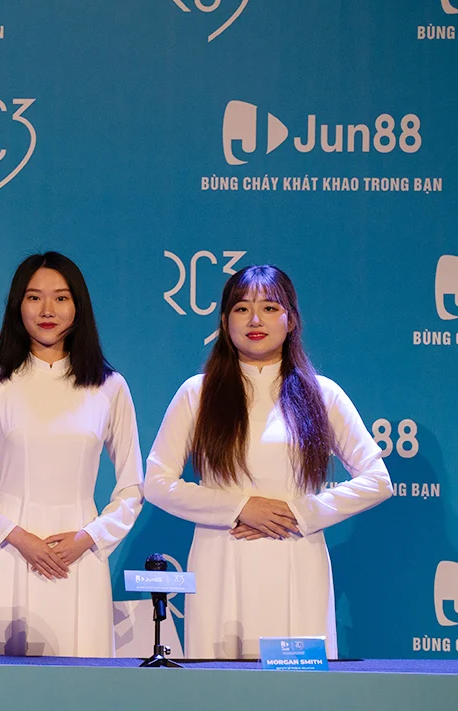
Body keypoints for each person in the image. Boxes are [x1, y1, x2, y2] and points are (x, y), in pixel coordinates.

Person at [143, 265, 391, 659]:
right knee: (219, 683)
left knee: (296, 686)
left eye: (270, 308)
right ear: (225, 321)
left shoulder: (322, 394)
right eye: (242, 309)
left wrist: (298, 512)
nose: (255, 320)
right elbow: (157, 483)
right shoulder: (197, 393)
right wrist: (241, 507)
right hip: (221, 559)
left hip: (296, 556)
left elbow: (377, 480)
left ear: (291, 320)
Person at [0, 252, 143, 657]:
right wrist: (15, 536)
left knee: (82, 679)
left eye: (61, 298)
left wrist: (88, 538)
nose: (47, 310)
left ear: (78, 306)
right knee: (4, 681)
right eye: (34, 297)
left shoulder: (109, 387)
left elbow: (133, 489)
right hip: (7, 553)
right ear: (18, 306)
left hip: (80, 557)